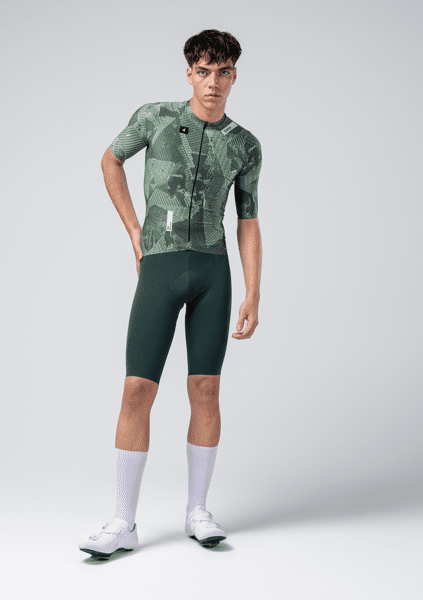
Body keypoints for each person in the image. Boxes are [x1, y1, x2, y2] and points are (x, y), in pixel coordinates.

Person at [80, 29, 262, 559]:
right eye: (203, 71)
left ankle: (197, 512)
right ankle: (123, 521)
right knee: (137, 389)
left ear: (234, 76)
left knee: (205, 389)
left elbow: (248, 220)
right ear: (189, 73)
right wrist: (134, 232)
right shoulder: (155, 118)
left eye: (222, 72)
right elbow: (110, 160)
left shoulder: (244, 144)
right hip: (160, 266)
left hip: (213, 270)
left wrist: (253, 292)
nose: (212, 82)